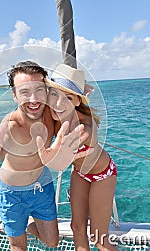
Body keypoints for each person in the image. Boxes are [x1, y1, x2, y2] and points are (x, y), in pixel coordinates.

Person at [0, 61, 90, 251]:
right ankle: (20, 231)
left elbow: (81, 116)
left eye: (39, 90)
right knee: (19, 246)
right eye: (24, 92)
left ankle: (30, 227)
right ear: (14, 95)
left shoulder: (51, 113)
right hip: (11, 193)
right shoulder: (9, 126)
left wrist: (81, 95)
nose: (33, 99)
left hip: (42, 186)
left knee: (52, 242)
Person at [37, 64, 118, 251]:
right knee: (76, 227)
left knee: (98, 237)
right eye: (54, 94)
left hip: (102, 175)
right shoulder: (53, 114)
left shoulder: (85, 126)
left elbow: (77, 141)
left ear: (76, 102)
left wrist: (55, 157)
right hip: (80, 173)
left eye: (68, 97)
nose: (58, 103)